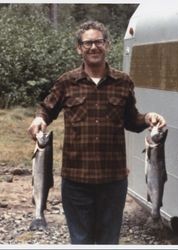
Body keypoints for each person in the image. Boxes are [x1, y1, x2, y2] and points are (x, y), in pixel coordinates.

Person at [28, 20, 166, 244]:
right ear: (79, 48)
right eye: (88, 43)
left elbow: (131, 120)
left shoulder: (123, 82)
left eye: (99, 42)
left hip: (113, 180)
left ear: (107, 45)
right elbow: (46, 109)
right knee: (80, 240)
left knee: (108, 241)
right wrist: (38, 119)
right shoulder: (67, 82)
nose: (94, 47)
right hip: (76, 179)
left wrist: (148, 118)